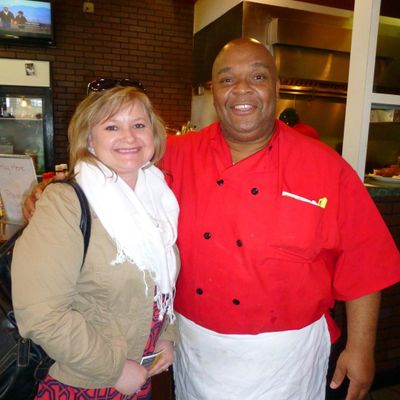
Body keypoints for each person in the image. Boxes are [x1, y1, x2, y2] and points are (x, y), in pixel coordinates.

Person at [23, 39, 400, 400]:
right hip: (197, 346)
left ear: (276, 86)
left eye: (257, 76)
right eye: (227, 79)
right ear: (213, 92)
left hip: (287, 355)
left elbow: (365, 261)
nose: (242, 89)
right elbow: (109, 173)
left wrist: (361, 348)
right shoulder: (172, 156)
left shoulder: (326, 167)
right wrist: (49, 191)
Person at [13, 84, 180, 399]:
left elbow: (160, 282)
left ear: (154, 135)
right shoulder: (65, 203)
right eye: (112, 127)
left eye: (139, 125)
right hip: (82, 382)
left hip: (138, 376)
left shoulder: (157, 198)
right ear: (90, 139)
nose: (129, 137)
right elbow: (41, 313)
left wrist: (166, 334)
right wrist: (114, 369)